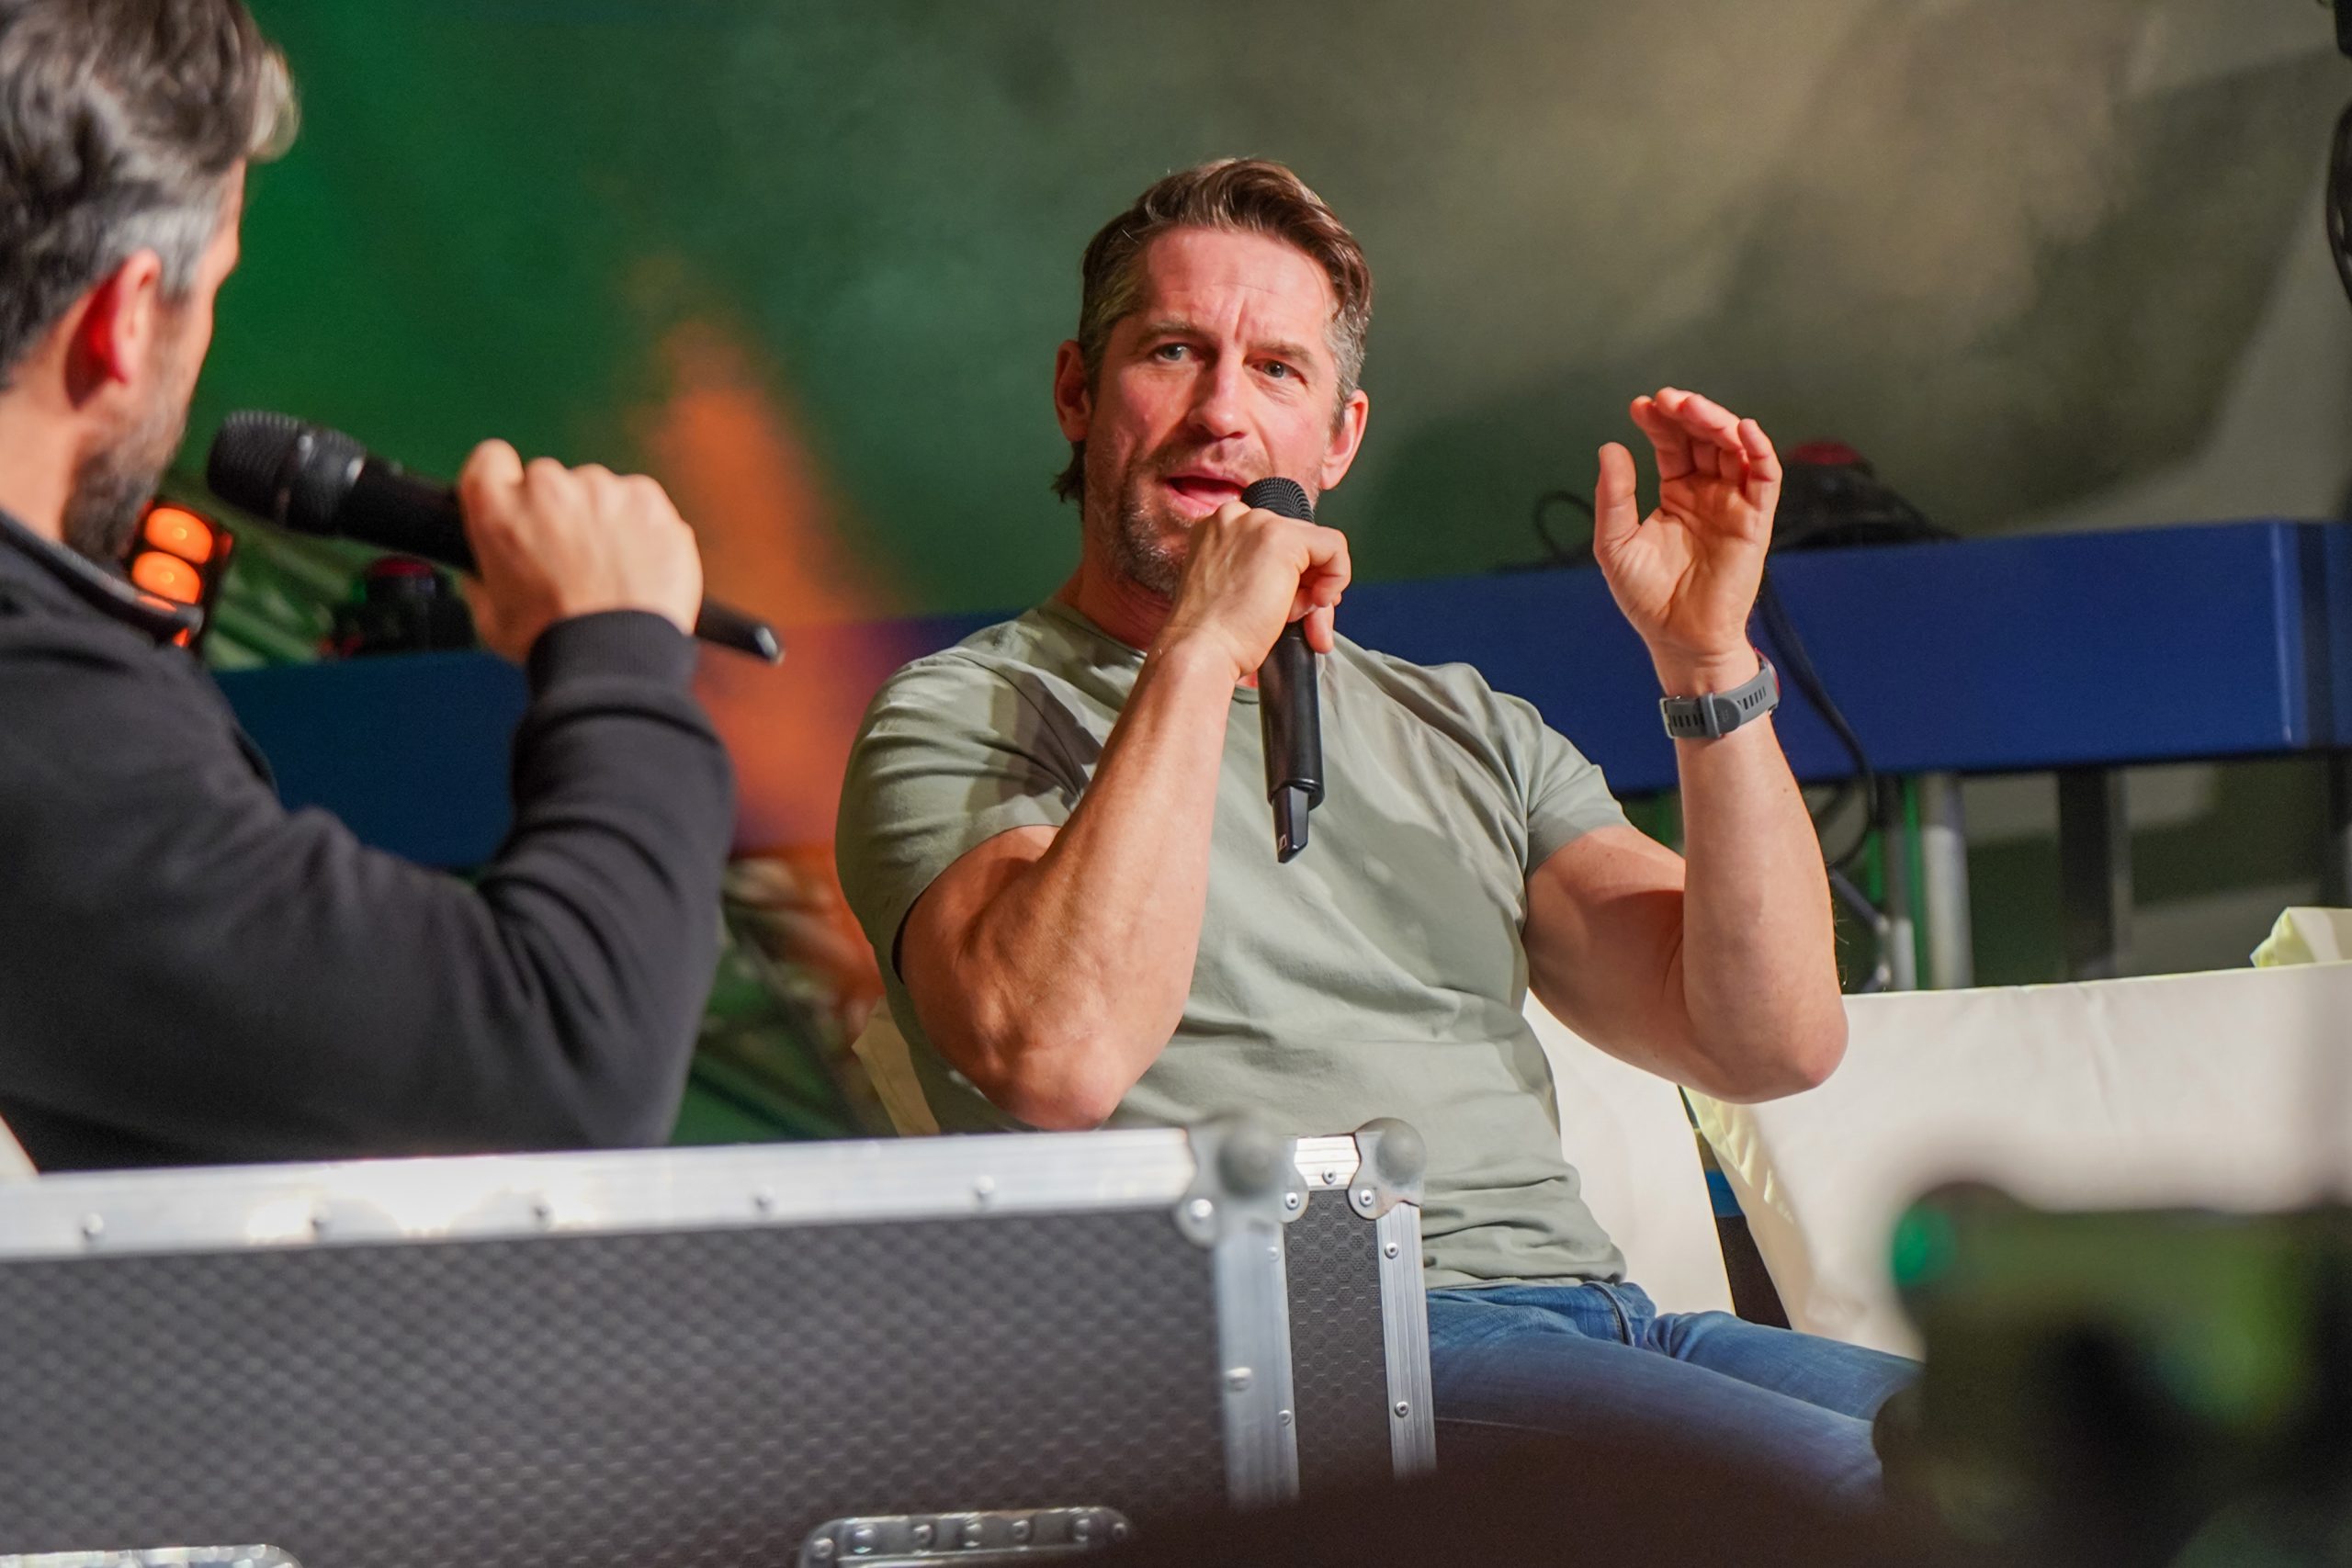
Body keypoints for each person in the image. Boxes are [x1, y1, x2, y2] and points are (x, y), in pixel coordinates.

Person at [836, 158, 1915, 1506]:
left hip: (1605, 1321)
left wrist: (1708, 663)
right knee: (1870, 1506)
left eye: (1276, 370)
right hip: (1292, 1352)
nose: (1221, 411)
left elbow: (1771, 1040)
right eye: (1172, 352)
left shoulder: (1464, 727)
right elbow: (1055, 1054)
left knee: (2082, 1473)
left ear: (1338, 438)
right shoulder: (966, 711)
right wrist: (1202, 651)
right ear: (1076, 392)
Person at [0, 0, 735, 1169]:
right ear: (128, 317)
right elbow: (567, 1055)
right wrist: (621, 651)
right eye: (214, 286)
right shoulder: (39, 713)